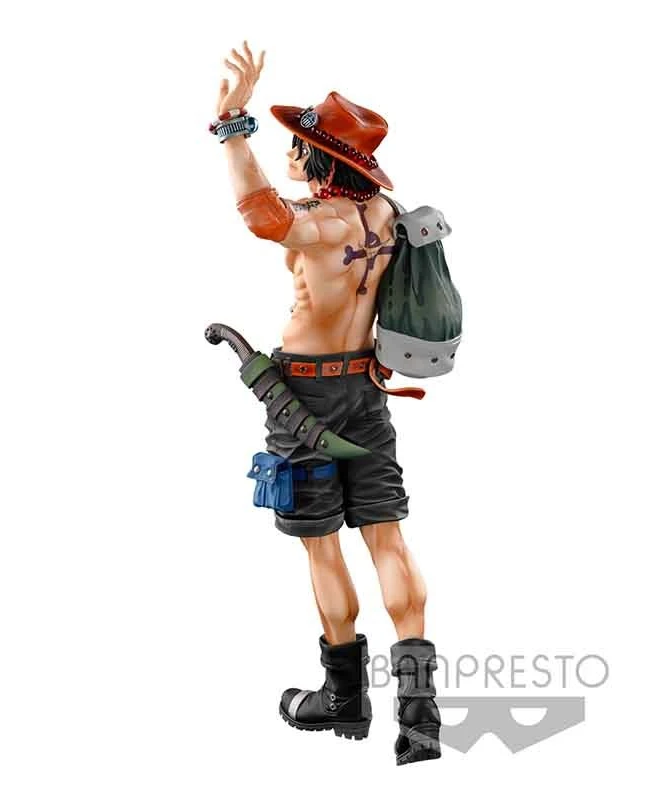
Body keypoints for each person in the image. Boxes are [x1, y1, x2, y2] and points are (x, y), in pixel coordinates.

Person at [211, 42, 442, 765]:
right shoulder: (386, 215)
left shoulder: (330, 221)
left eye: (299, 144)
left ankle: (343, 699)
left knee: (323, 543)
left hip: (305, 396)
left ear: (323, 158)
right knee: (387, 537)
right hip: (366, 390)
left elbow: (262, 216)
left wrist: (232, 127)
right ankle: (420, 716)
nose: (291, 153)